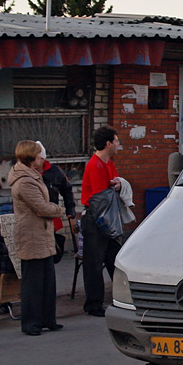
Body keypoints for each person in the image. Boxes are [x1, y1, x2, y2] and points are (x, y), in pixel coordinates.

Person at [9, 140, 65, 336]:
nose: (42, 159)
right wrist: (59, 210)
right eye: (39, 155)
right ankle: (31, 322)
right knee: (33, 282)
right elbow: (41, 207)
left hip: (42, 233)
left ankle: (48, 319)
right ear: (31, 157)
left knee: (47, 280)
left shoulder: (33, 176)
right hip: (31, 234)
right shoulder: (24, 181)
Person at [80, 126, 121, 316]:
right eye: (116, 141)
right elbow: (99, 198)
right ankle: (93, 303)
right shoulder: (95, 165)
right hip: (97, 218)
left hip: (107, 216)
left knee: (115, 258)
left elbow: (112, 185)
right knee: (94, 263)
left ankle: (122, 295)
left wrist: (119, 185)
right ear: (108, 144)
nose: (118, 145)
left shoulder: (108, 163)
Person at [36, 142, 77, 265]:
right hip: (36, 217)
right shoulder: (29, 173)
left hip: (51, 214)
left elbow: (67, 190)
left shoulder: (54, 172)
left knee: (51, 245)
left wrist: (70, 209)